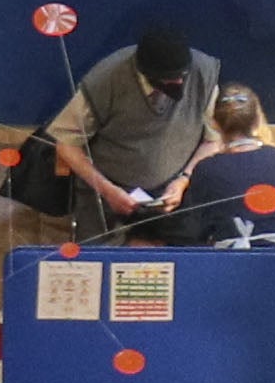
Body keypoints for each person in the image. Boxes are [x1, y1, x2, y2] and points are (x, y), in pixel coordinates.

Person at [26, 22, 210, 228]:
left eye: (182, 76)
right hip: (106, 189)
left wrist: (184, 179)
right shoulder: (105, 81)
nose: (179, 84)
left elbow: (215, 140)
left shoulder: (202, 73)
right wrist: (107, 190)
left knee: (180, 257)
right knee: (97, 257)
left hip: (174, 191)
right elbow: (66, 145)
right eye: (170, 80)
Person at [151, 86, 275, 250]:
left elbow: (192, 235)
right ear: (257, 121)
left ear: (215, 124)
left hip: (230, 270)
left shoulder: (207, 169)